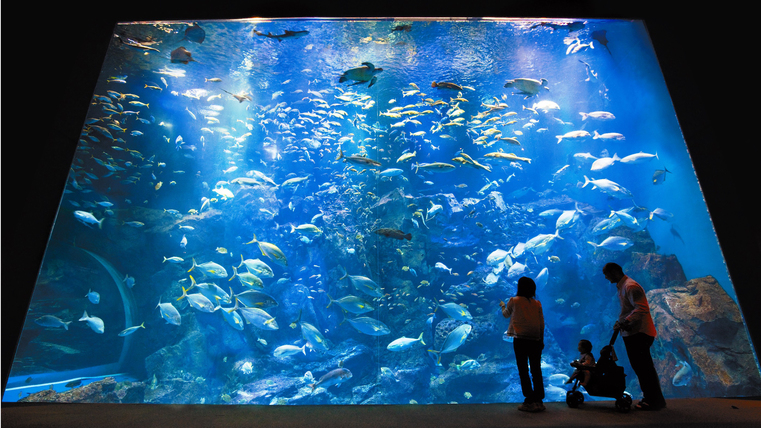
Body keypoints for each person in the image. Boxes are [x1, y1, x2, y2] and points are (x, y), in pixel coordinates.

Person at [602, 262, 666, 410]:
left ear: (614, 272)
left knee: (644, 368)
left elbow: (642, 308)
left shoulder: (630, 287)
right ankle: (653, 399)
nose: (605, 277)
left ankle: (653, 401)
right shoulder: (623, 286)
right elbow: (629, 309)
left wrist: (625, 321)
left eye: (607, 274)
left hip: (639, 333)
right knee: (641, 368)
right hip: (632, 332)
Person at [501, 276, 545, 412]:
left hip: (520, 339)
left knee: (523, 369)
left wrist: (503, 306)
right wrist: (541, 340)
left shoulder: (513, 301)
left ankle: (529, 400)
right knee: (536, 370)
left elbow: (506, 315)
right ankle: (539, 399)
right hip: (535, 339)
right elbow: (541, 323)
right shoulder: (537, 303)